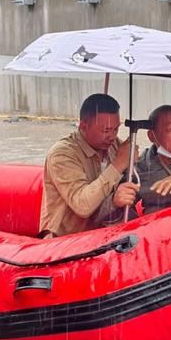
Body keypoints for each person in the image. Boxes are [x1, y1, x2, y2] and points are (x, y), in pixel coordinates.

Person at [39, 94, 140, 238]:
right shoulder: (62, 154)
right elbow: (82, 206)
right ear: (84, 126)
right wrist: (118, 164)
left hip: (103, 232)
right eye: (105, 130)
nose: (112, 136)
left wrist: (133, 163)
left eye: (116, 129)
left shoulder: (114, 145)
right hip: (64, 240)